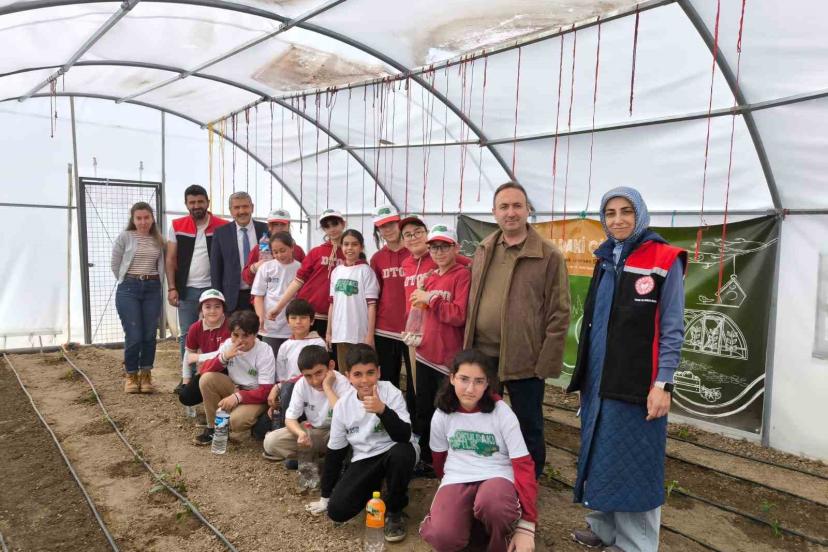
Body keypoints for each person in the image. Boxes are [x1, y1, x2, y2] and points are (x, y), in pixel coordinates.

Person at [567, 187, 685, 552]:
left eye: (626, 211)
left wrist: (663, 384)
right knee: (601, 455)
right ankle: (603, 529)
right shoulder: (606, 257)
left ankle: (636, 544)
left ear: (641, 214)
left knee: (636, 464)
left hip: (638, 384)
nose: (618, 219)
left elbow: (672, 328)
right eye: (610, 212)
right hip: (600, 381)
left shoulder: (664, 259)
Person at [463, 182, 571, 478]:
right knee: (484, 421)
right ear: (494, 212)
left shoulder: (548, 255)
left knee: (527, 425)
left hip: (525, 360)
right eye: (504, 207)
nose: (510, 213)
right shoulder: (485, 249)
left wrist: (545, 363)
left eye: (516, 206)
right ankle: (489, 476)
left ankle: (528, 483)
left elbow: (560, 313)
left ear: (528, 210)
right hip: (483, 356)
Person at [420, 350, 537, 552]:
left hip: (496, 476)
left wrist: (528, 524)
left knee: (494, 505)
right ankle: (471, 525)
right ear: (452, 378)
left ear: (487, 383)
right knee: (443, 536)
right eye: (464, 379)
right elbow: (439, 459)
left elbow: (523, 464)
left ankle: (501, 541)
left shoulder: (502, 412)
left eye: (479, 381)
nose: (470, 389)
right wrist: (449, 492)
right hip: (458, 476)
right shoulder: (442, 413)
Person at [306, 344, 417, 544]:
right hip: (365, 457)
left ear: (379, 372)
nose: (364, 380)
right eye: (357, 374)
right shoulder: (343, 405)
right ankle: (376, 486)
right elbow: (335, 452)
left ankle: (395, 510)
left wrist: (383, 410)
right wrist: (325, 496)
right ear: (348, 376)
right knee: (337, 511)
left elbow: (403, 435)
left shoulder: (390, 392)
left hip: (395, 450)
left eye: (370, 373)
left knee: (402, 454)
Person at [409, 225, 471, 473]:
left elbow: (458, 315)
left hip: (447, 358)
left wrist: (431, 298)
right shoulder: (430, 277)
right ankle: (426, 458)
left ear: (456, 248)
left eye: (445, 246)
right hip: (425, 352)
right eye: (434, 247)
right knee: (424, 409)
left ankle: (448, 460)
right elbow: (422, 310)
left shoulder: (462, 276)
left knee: (446, 409)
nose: (439, 252)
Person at [265, 209, 346, 350]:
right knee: (305, 355)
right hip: (309, 315)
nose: (331, 229)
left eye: (335, 224)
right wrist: (278, 307)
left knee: (330, 357)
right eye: (326, 226)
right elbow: (298, 281)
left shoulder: (349, 253)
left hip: (335, 316)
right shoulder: (316, 252)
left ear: (343, 224)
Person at [193, 310, 276, 446]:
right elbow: (204, 370)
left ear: (255, 335)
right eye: (235, 335)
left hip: (256, 396)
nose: (239, 340)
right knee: (206, 379)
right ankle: (213, 428)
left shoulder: (264, 351)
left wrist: (238, 397)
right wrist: (224, 357)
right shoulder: (228, 345)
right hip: (234, 388)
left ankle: (257, 421)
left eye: (245, 335)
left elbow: (266, 391)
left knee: (235, 421)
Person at [165, 184, 229, 360]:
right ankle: (188, 372)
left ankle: (213, 369)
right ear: (186, 204)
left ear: (208, 202)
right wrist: (172, 288)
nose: (196, 206)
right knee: (187, 333)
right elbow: (170, 258)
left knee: (217, 331)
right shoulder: (177, 225)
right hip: (187, 290)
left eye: (200, 201)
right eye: (192, 202)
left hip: (214, 289)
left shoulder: (223, 226)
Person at [262, 345, 351, 463]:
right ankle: (316, 458)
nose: (315, 381)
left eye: (319, 373)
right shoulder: (301, 384)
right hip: (314, 431)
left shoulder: (342, 382)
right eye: (308, 376)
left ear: (331, 366)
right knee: (271, 442)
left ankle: (318, 458)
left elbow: (345, 417)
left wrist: (327, 388)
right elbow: (290, 419)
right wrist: (300, 434)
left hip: (339, 432)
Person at [111, 201, 165, 394]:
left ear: (152, 218)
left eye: (146, 217)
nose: (143, 222)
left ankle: (146, 374)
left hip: (152, 288)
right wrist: (127, 280)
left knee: (149, 334)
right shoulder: (125, 237)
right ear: (133, 220)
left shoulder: (159, 239)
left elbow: (162, 264)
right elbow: (115, 263)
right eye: (139, 218)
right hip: (129, 288)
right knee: (134, 334)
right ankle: (131, 374)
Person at [369, 205, 414, 412]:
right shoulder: (377, 258)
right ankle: (390, 418)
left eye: (391, 224)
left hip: (412, 329)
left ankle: (413, 421)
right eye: (382, 226)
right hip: (385, 329)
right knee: (388, 380)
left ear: (399, 223)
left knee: (414, 381)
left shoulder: (414, 251)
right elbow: (375, 294)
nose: (387, 229)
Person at [326, 229, 379, 370]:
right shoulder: (336, 271)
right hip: (340, 334)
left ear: (361, 247)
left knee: (360, 372)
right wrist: (329, 332)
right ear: (341, 246)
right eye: (346, 244)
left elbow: (372, 306)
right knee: (345, 373)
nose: (349, 248)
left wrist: (369, 335)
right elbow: (332, 304)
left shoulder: (366, 271)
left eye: (354, 244)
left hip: (359, 335)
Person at [210, 191, 268, 312]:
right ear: (231, 211)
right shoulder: (221, 233)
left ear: (252, 207)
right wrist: (217, 298)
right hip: (232, 298)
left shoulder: (266, 230)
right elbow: (216, 268)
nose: (241, 211)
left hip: (262, 295)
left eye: (245, 206)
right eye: (237, 207)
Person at [177, 289, 230, 408]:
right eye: (207, 307)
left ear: (223, 309)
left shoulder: (230, 326)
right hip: (208, 368)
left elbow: (224, 354)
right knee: (185, 397)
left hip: (228, 370)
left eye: (217, 306)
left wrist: (198, 357)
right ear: (201, 309)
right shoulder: (195, 328)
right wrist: (186, 381)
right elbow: (188, 355)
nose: (212, 311)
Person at [251, 232, 301, 359]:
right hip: (270, 328)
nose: (279, 255)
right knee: (270, 360)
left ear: (292, 247)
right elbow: (258, 296)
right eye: (275, 252)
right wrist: (260, 317)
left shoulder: (300, 268)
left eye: (283, 250)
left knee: (290, 361)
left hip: (292, 326)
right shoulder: (266, 268)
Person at [242, 208, 306, 287]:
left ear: (288, 225)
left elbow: (306, 275)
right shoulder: (259, 248)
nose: (279, 228)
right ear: (269, 226)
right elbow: (246, 278)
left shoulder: (297, 250)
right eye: (275, 224)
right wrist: (254, 267)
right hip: (264, 293)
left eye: (283, 224)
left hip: (291, 293)